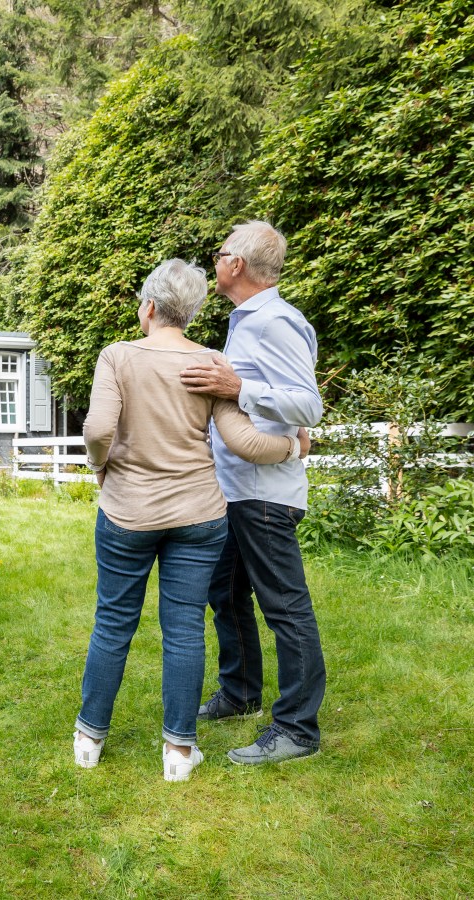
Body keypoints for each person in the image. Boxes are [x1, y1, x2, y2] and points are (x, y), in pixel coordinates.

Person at [74, 259, 308, 782]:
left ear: (150, 307)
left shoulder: (116, 357)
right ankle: (179, 752)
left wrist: (101, 466)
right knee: (183, 629)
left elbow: (96, 428)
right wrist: (293, 444)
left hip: (128, 511)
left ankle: (89, 738)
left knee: (113, 622)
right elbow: (244, 442)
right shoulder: (210, 362)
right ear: (191, 311)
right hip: (200, 516)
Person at [180, 220, 326, 765]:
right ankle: (240, 692)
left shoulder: (275, 322)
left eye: (219, 254)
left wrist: (239, 387)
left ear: (236, 264)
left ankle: (297, 729)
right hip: (235, 490)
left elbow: (307, 405)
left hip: (265, 494)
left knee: (285, 607)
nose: (215, 261)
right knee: (227, 594)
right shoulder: (246, 323)